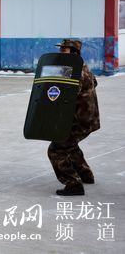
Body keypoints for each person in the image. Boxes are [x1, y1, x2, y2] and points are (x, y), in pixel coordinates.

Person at [48, 39, 100, 196]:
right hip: (87, 118)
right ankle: (86, 175)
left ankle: (73, 184)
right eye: (61, 49)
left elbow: (67, 95)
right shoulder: (82, 68)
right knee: (70, 145)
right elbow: (94, 83)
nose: (61, 52)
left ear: (74, 53)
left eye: (64, 50)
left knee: (56, 149)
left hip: (81, 121)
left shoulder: (76, 72)